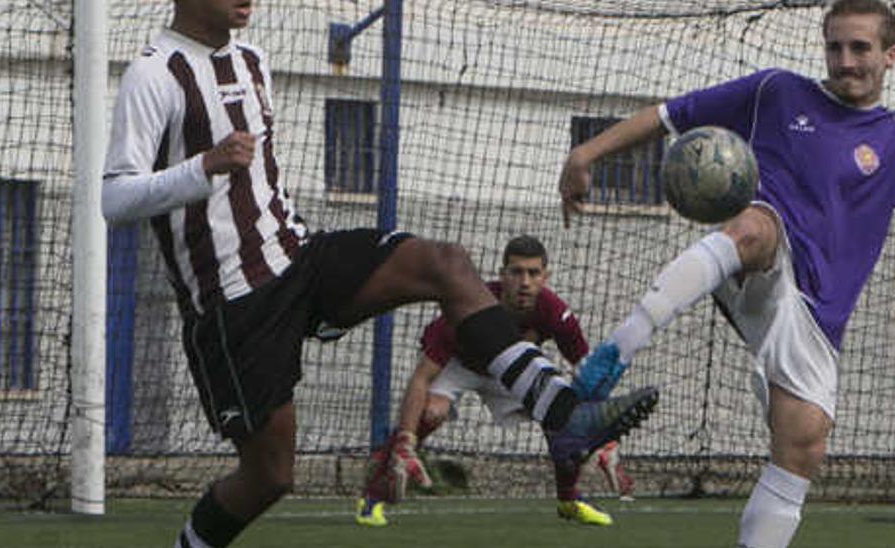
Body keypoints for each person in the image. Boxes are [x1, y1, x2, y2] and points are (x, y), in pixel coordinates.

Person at [100, 1, 656, 546]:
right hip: (236, 301)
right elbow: (115, 198)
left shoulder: (252, 60)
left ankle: (562, 414)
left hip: (300, 258)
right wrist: (205, 165)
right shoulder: (154, 74)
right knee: (271, 476)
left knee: (447, 264)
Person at [557, 1, 895, 546]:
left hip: (817, 315)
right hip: (760, 255)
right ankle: (611, 359)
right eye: (835, 47)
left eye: (860, 48)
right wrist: (584, 154)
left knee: (802, 445)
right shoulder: (776, 93)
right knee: (754, 228)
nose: (845, 61)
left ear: (890, 55)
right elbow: (668, 116)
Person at [356, 235, 635, 528]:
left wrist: (603, 436)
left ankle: (569, 500)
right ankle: (372, 496)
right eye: (516, 272)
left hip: (509, 372)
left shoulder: (555, 313)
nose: (525, 282)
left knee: (561, 412)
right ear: (502, 276)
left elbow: (585, 374)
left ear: (545, 277)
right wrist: (405, 441)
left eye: (533, 273)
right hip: (462, 365)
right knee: (430, 413)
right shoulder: (466, 305)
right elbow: (421, 378)